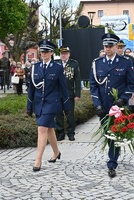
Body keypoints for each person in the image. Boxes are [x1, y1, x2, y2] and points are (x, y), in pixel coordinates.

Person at [89, 33, 134, 178]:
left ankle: (112, 162)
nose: (107, 49)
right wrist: (97, 104)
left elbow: (130, 84)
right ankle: (113, 156)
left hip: (118, 106)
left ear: (116, 46)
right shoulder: (97, 63)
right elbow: (93, 85)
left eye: (110, 46)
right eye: (105, 46)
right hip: (103, 105)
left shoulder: (126, 62)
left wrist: (123, 99)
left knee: (114, 133)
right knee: (107, 133)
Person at [27, 40, 70, 172]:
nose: (43, 54)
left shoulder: (57, 67)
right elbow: (31, 88)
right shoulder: (35, 67)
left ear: (51, 53)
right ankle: (56, 152)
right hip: (39, 102)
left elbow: (64, 88)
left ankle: (38, 159)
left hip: (52, 102)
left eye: (46, 51)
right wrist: (29, 105)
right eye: (42, 51)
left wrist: (67, 106)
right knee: (49, 129)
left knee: (42, 128)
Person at [55, 46, 81, 141]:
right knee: (58, 114)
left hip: (69, 93)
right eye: (62, 53)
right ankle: (60, 133)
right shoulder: (56, 64)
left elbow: (77, 80)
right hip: (57, 94)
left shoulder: (74, 64)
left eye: (65, 53)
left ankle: (71, 133)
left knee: (70, 114)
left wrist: (77, 94)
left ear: (69, 54)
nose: (63, 55)